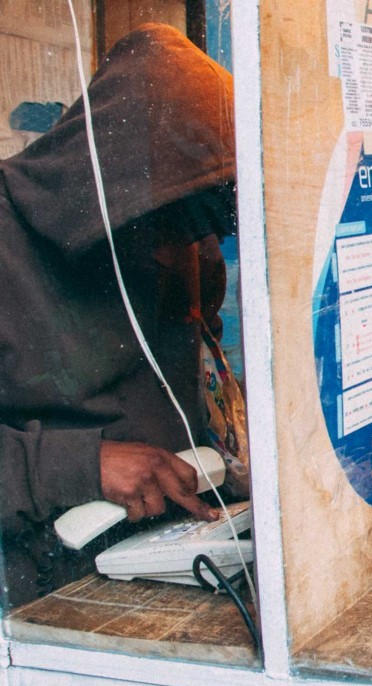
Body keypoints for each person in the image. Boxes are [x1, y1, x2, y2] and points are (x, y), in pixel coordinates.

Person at [0, 24, 238, 606]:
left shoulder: (187, 231)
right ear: (111, 169)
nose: (179, 243)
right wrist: (84, 465)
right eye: (158, 212)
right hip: (42, 574)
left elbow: (203, 358)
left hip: (173, 542)